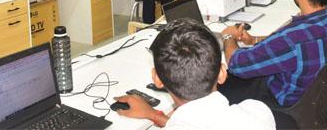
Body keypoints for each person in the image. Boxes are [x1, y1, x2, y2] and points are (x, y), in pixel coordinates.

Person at [115, 18, 275, 130]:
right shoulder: (259, 113)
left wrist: (154, 114)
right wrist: (156, 116)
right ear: (222, 73)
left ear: (157, 79)